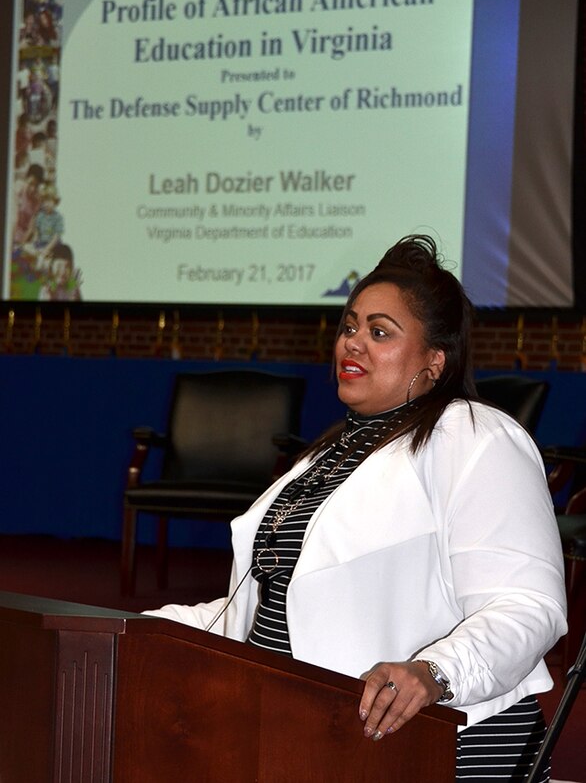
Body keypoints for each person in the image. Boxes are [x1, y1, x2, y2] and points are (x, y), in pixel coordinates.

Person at [144, 235, 566, 782]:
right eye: (349, 326)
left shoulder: (475, 436)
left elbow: (528, 605)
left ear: (435, 361)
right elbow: (265, 607)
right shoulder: (327, 453)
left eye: (380, 332)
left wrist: (433, 672)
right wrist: (143, 629)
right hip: (314, 734)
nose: (353, 343)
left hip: (437, 744)